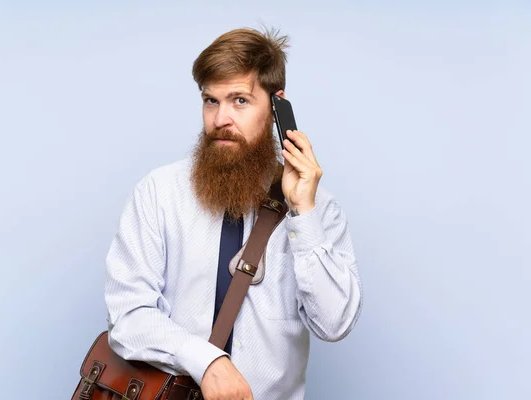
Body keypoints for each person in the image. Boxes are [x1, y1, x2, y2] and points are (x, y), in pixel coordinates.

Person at [104, 27, 363, 400]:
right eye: (211, 101)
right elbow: (128, 315)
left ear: (277, 108)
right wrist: (206, 361)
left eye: (240, 100)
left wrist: (303, 214)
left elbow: (335, 323)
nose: (220, 118)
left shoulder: (320, 209)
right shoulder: (158, 193)